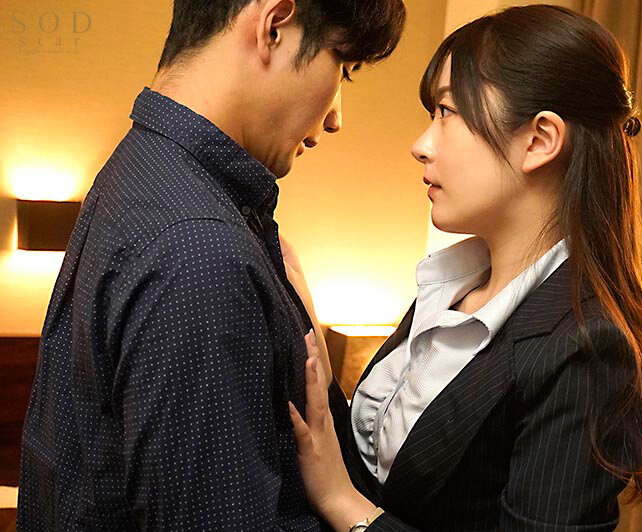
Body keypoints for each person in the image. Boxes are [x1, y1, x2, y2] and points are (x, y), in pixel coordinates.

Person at [285, 5, 642, 531]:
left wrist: (345, 506)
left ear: (539, 140)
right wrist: (313, 344)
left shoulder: (583, 348)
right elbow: (375, 472)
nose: (421, 145)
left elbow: (353, 496)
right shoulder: (453, 287)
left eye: (447, 112)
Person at [17, 1, 405, 530]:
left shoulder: (140, 170)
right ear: (274, 25)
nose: (335, 117)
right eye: (343, 67)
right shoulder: (198, 251)